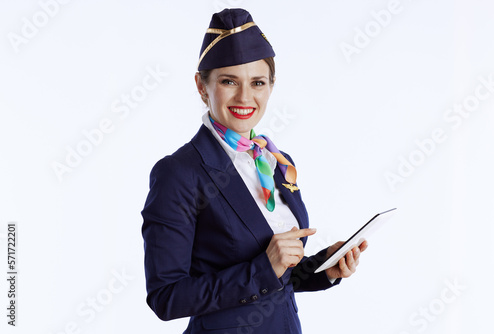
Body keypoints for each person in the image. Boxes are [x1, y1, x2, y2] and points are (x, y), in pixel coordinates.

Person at [141, 8, 368, 334]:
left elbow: (279, 279)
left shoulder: (275, 161)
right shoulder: (179, 173)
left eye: (257, 82)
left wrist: (325, 267)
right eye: (229, 81)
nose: (245, 97)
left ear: (271, 86)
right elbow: (166, 297)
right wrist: (266, 266)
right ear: (202, 87)